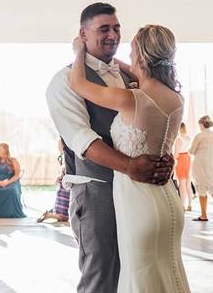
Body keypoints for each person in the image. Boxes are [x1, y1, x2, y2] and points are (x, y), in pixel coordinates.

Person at [46, 2, 174, 293]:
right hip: (97, 192)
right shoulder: (64, 82)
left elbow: (153, 123)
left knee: (137, 270)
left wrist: (164, 156)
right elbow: (84, 142)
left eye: (116, 28)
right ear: (83, 34)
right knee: (102, 276)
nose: (113, 35)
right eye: (103, 29)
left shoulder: (133, 77)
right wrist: (131, 167)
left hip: (139, 194)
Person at [67, 24, 191, 292]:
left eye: (133, 50)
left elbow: (77, 83)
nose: (129, 56)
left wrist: (79, 51)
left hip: (138, 202)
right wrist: (118, 62)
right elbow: (137, 71)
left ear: (142, 57)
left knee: (139, 280)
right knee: (169, 274)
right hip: (168, 200)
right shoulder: (176, 99)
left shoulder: (131, 99)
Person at [190, 115, 213, 223]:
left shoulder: (199, 136)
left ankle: (203, 215)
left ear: (202, 124)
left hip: (201, 166)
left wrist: (188, 150)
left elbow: (192, 151)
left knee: (202, 190)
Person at [0, 142, 24, 218]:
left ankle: (11, 212)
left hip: (12, 181)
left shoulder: (13, 161)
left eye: (0, 148)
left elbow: (16, 175)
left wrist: (8, 182)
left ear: (5, 150)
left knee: (12, 190)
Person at [37, 141, 68, 225]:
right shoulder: (65, 155)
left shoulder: (62, 156)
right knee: (64, 216)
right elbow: (63, 167)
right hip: (65, 184)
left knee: (64, 214)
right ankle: (49, 215)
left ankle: (51, 214)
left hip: (63, 183)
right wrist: (61, 175)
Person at [174, 122, 193, 212]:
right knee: (188, 184)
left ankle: (182, 205)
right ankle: (190, 204)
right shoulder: (188, 138)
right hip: (188, 159)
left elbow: (176, 154)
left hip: (181, 160)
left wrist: (173, 159)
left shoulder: (178, 139)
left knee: (182, 185)